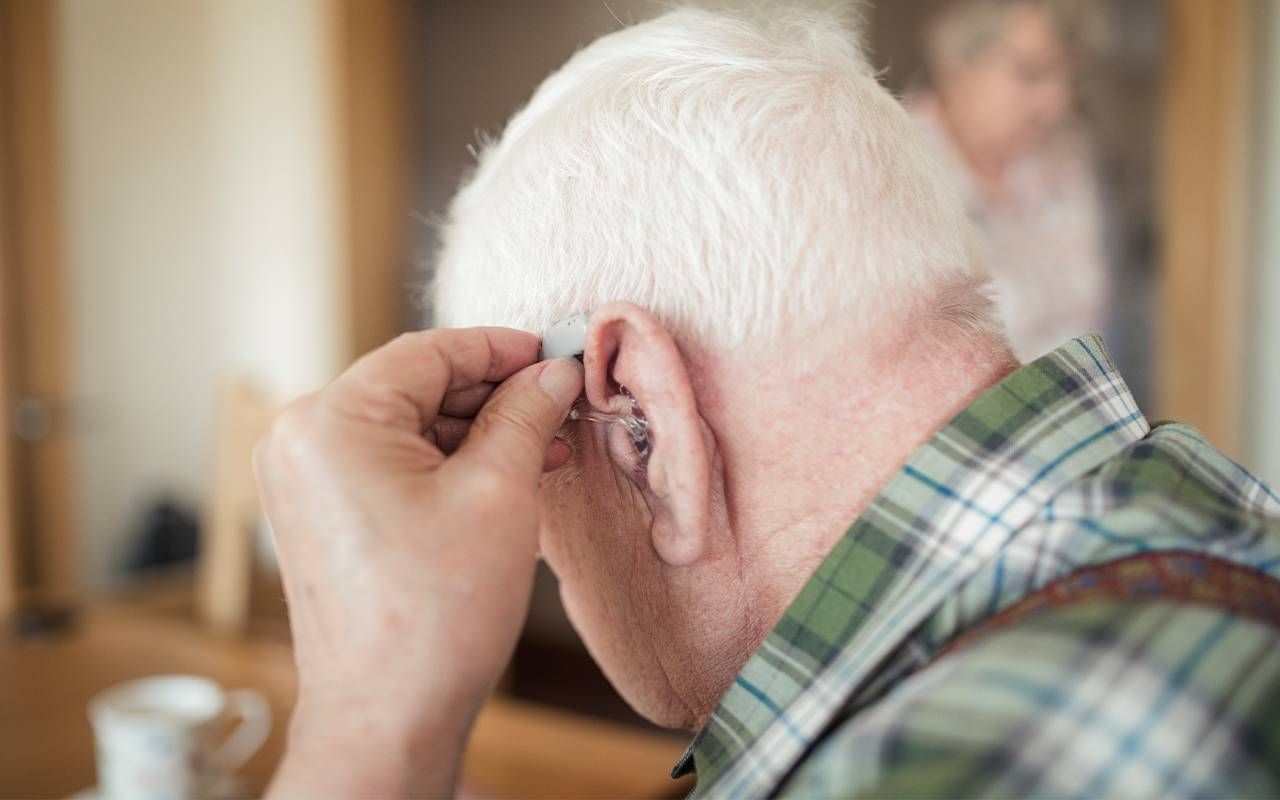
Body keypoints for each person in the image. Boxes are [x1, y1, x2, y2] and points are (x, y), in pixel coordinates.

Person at [256, 4, 1280, 797]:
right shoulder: (1191, 536)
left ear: (642, 423)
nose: (535, 545)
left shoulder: (961, 761)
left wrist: (360, 729)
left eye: (531, 473)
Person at [910, 0, 1109, 361]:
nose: (1058, 102)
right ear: (956, 64)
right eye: (1030, 73)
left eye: (1069, 78)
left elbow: (1088, 316)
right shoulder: (897, 168)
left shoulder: (1065, 154)